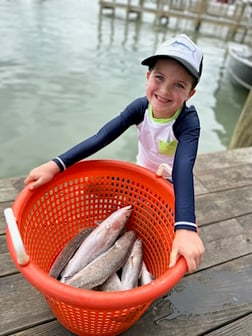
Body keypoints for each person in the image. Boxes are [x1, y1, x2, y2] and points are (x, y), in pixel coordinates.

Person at [24, 33, 205, 273]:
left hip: (172, 183)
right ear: (148, 76)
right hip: (141, 173)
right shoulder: (140, 108)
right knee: (92, 188)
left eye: (179, 85)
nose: (164, 90)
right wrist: (57, 164)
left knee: (161, 235)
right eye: (159, 78)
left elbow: (184, 168)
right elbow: (102, 137)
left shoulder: (188, 122)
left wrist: (185, 227)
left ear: (190, 93)